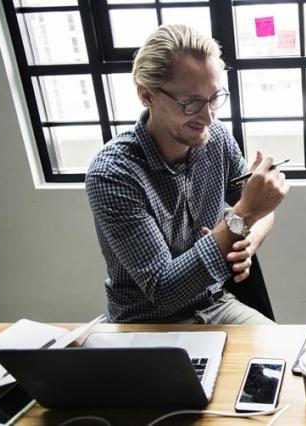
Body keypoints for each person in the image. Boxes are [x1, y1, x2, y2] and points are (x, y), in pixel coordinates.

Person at [86, 24, 289, 323]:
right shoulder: (113, 174)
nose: (207, 117)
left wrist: (247, 243)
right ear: (147, 95)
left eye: (214, 98)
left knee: (282, 356)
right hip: (146, 321)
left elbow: (258, 211)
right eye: (191, 102)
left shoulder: (216, 138)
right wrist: (243, 216)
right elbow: (164, 290)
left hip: (215, 302)